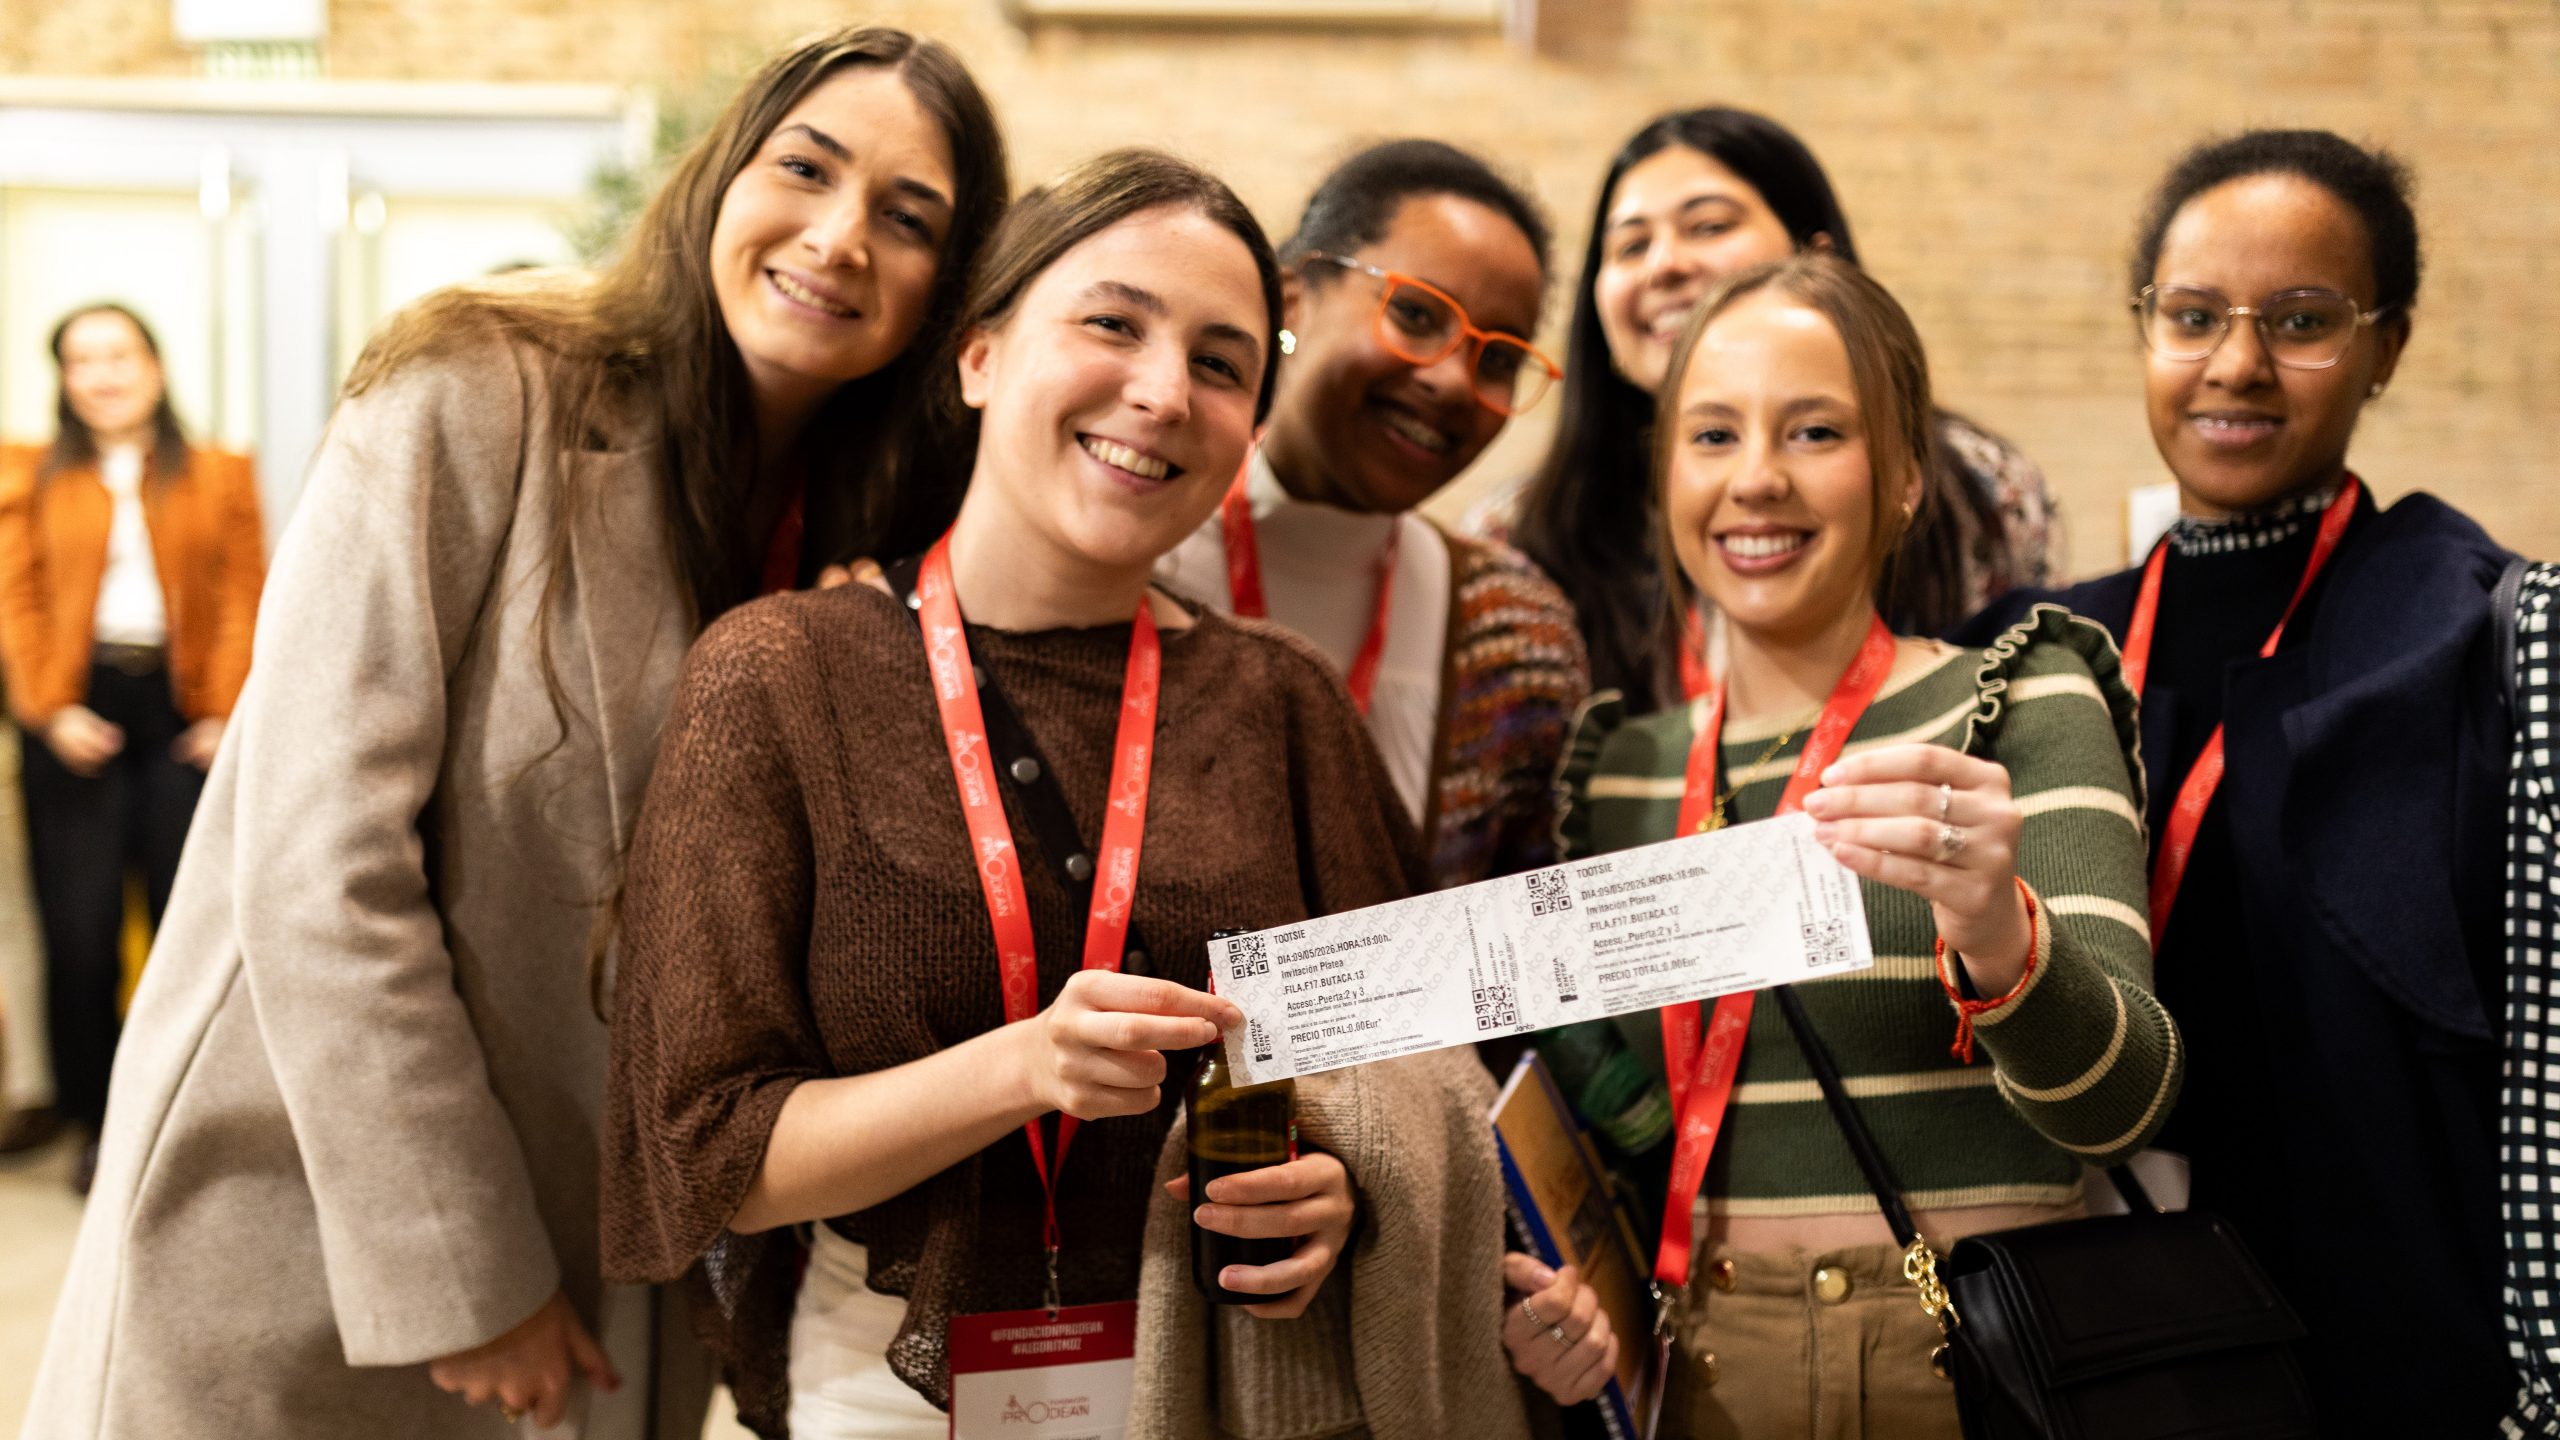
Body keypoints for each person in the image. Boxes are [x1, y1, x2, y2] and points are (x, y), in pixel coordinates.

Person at [24, 25, 1008, 1439]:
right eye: (807, 168)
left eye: (908, 218)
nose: (842, 236)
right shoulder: (481, 380)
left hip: (619, 1261)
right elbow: (313, 853)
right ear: (722, 174)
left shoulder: (877, 544)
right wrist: (462, 1266)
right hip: (329, 1212)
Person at [603, 148, 1526, 1440]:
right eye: (1112, 324)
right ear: (979, 356)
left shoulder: (1285, 703)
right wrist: (1026, 1066)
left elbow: (1414, 1089)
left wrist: (1341, 1191)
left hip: (1228, 1381)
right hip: (888, 1399)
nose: (1163, 392)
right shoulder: (779, 676)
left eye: (1220, 364)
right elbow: (707, 1152)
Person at [1510, 253, 2179, 1436]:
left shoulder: (2014, 702)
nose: (1756, 479)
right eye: (1711, 436)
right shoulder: (1623, 774)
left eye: (1814, 432)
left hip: (1977, 1361)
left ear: (1906, 474)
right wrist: (1576, 1304)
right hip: (1704, 1374)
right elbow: (1619, 1144)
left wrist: (1998, 929)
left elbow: (2123, 1106)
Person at [1962, 129, 2517, 1435]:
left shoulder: (2461, 637)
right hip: (2090, 1312)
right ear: (2144, 327)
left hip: (2377, 1318)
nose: (2237, 364)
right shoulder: (2031, 647)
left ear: (2389, 344)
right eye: (2193, 315)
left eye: (2303, 320)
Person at [1492, 107, 2063, 716]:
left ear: (1816, 258)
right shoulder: (1520, 536)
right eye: (1632, 245)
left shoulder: (1979, 486)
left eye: (1709, 226)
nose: (1664, 265)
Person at [1153, 139, 1587, 890]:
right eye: (1416, 314)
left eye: (1497, 360)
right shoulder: (1132, 562)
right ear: (1291, 301)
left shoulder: (1519, 636)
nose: (1453, 382)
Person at [0, 304, 264, 1191]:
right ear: (64, 380)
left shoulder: (219, 472)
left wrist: (224, 709)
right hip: (74, 715)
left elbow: (243, 592)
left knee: (190, 930)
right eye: (83, 360)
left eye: (120, 355)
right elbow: (15, 597)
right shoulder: (28, 471)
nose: (104, 374)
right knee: (80, 937)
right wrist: (48, 709)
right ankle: (98, 1122)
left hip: (181, 719)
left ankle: (185, 1119)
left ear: (155, 366)